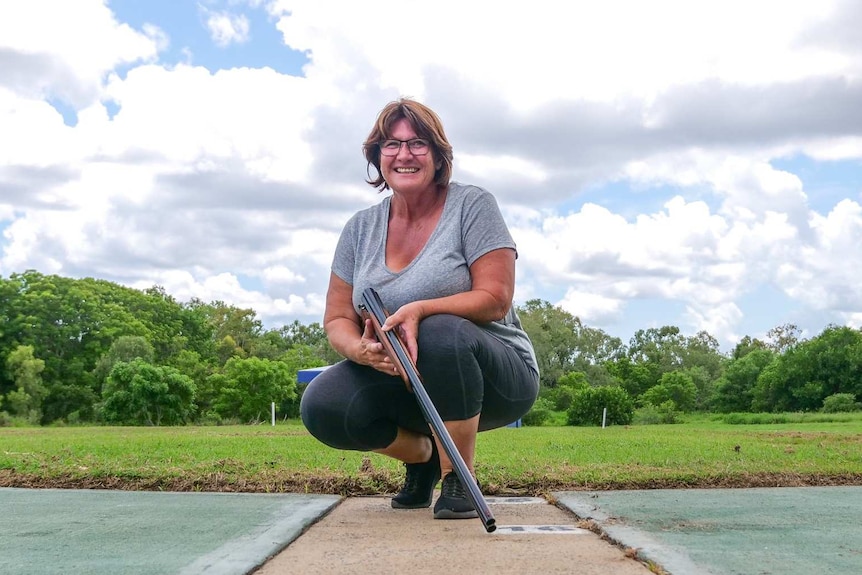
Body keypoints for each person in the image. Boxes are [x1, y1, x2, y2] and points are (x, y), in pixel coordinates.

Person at [300, 98, 539, 520]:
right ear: (377, 155)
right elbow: (338, 317)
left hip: (494, 377)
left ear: (439, 155)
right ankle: (425, 455)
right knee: (323, 404)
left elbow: (496, 298)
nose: (404, 155)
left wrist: (420, 309)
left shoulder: (473, 206)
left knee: (440, 328)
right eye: (392, 144)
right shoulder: (359, 228)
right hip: (403, 383)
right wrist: (361, 351)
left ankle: (458, 477)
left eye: (418, 143)